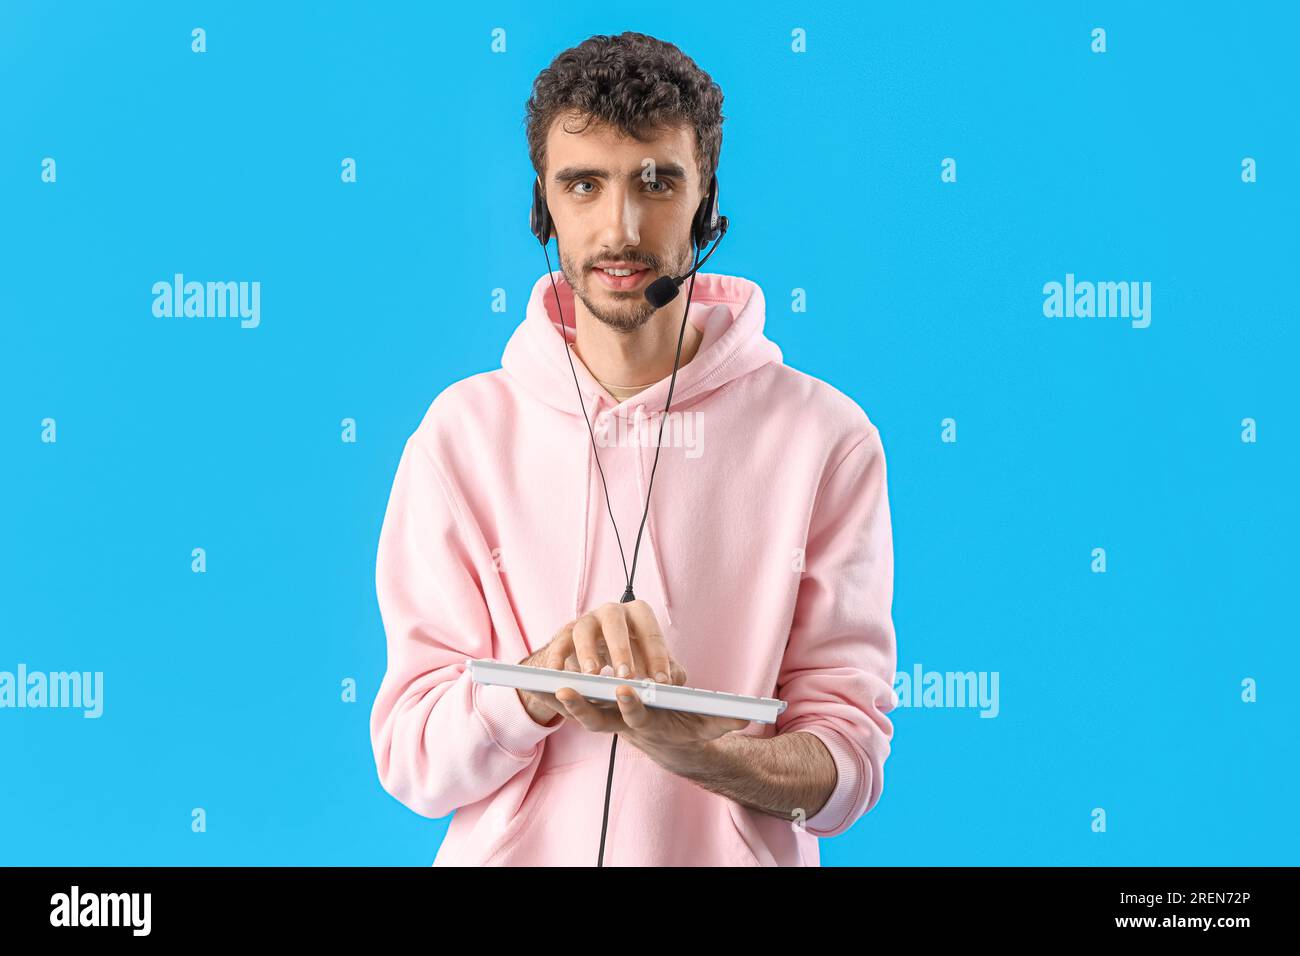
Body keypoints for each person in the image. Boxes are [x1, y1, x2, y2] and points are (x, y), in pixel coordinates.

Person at [369, 31, 897, 866]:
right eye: (585, 185)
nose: (620, 227)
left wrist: (707, 755)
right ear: (543, 207)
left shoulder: (826, 438)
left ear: (707, 200)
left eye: (657, 183)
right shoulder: (459, 435)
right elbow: (412, 759)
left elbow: (849, 761)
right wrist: (536, 688)